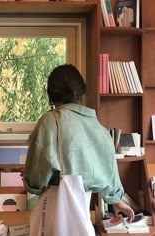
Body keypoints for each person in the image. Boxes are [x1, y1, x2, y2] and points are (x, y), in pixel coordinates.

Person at [23, 64, 135, 223]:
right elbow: (109, 173)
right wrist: (118, 201)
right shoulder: (99, 128)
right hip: (83, 217)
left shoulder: (50, 121)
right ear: (82, 92)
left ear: (52, 95)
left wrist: (29, 180)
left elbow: (35, 181)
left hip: (54, 213)